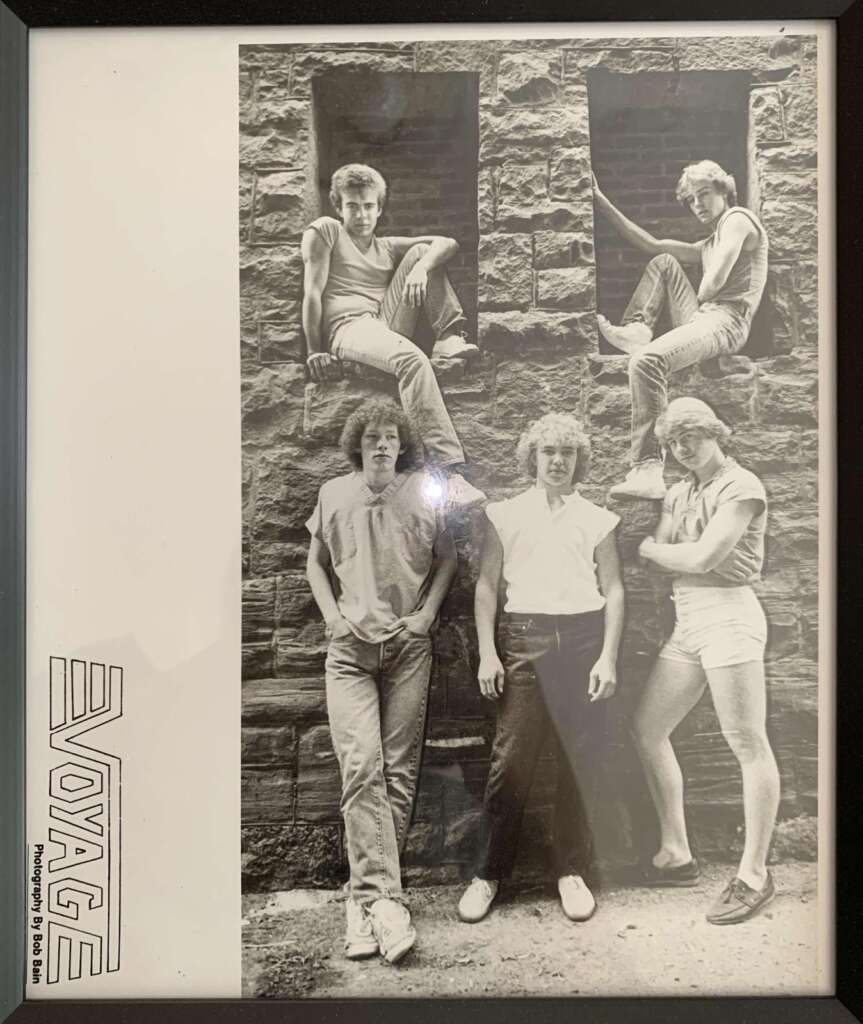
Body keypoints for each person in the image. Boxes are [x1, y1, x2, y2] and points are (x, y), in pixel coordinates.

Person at [305, 398, 457, 963]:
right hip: (349, 651)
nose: (383, 445)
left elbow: (447, 559)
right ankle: (384, 902)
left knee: (397, 773)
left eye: (392, 437)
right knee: (361, 766)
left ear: (403, 445)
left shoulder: (425, 491)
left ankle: (361, 904)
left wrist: (427, 616)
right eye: (372, 437)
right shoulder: (332, 494)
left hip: (408, 648)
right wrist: (331, 618)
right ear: (358, 445)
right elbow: (314, 562)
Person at [457, 413, 624, 925]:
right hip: (523, 639)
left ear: (578, 460)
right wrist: (488, 651)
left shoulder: (597, 518)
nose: (557, 461)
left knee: (579, 759)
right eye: (548, 451)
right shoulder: (505, 514)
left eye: (567, 453)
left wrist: (608, 656)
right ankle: (488, 874)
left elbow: (614, 588)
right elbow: (487, 586)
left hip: (582, 639)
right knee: (511, 761)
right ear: (533, 457)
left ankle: (570, 872)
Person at [631, 397, 779, 925]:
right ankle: (676, 852)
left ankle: (754, 874)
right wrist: (665, 547)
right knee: (648, 729)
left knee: (745, 740)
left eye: (690, 435)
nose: (681, 447)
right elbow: (676, 553)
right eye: (672, 441)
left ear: (714, 431)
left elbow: (697, 558)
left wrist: (652, 550)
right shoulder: (680, 489)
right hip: (688, 621)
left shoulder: (742, 486)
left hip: (730, 617)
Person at [302, 162, 484, 508]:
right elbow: (311, 293)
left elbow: (447, 243)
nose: (361, 214)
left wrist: (421, 267)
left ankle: (448, 335)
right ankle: (448, 474)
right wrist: (314, 350)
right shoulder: (327, 231)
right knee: (413, 360)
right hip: (348, 328)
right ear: (338, 206)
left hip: (383, 323)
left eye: (369, 206)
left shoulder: (385, 247)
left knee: (421, 252)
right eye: (352, 206)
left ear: (379, 207)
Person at [592, 161, 769, 500]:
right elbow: (650, 243)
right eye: (690, 200)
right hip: (704, 317)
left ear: (724, 191)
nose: (698, 204)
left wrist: (706, 281)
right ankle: (638, 329)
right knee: (664, 262)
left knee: (645, 362)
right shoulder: (710, 241)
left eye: (704, 194)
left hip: (726, 321)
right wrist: (600, 199)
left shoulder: (737, 220)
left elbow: (712, 284)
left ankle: (647, 469)